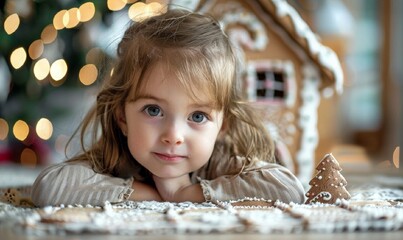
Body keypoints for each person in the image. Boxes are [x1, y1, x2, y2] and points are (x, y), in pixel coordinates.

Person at [31, 8, 305, 207]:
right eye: (153, 110)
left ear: (223, 126)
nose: (173, 135)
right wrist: (145, 192)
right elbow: (49, 188)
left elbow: (289, 189)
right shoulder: (116, 159)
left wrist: (188, 193)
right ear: (122, 116)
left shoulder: (222, 161)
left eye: (198, 116)